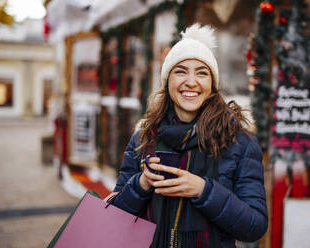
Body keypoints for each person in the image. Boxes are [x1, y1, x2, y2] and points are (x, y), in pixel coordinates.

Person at [106, 23, 268, 248]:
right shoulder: (144, 139)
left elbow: (255, 226)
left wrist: (204, 190)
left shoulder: (239, 142)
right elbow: (114, 219)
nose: (191, 81)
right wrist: (141, 184)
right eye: (180, 71)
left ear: (211, 84)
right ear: (167, 81)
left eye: (201, 73)